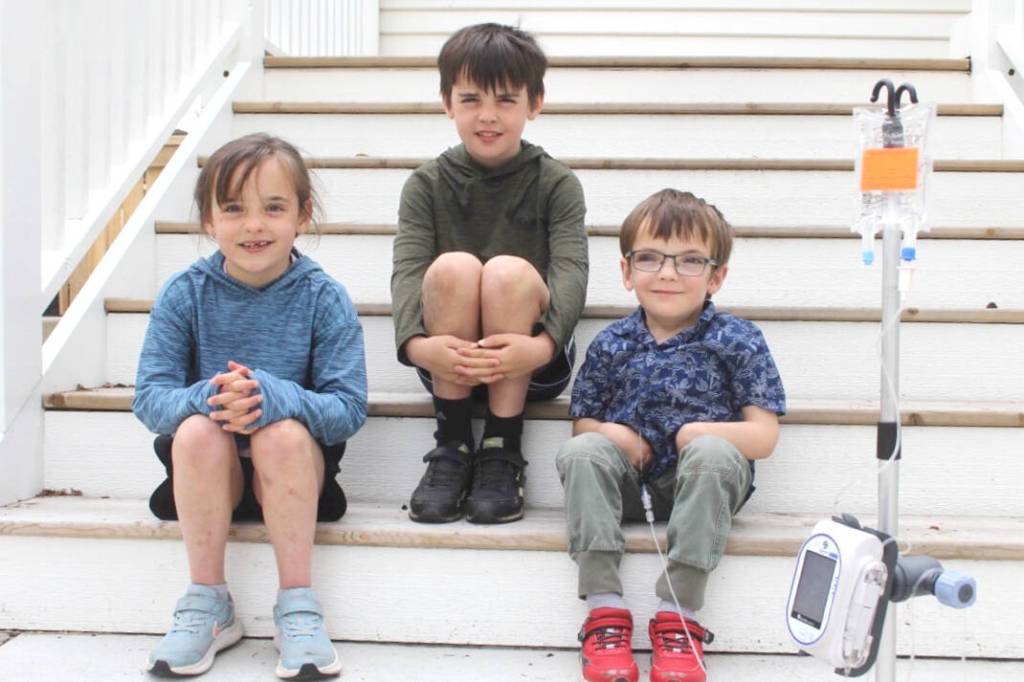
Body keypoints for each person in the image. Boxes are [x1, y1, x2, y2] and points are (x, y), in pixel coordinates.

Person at [133, 133, 368, 679]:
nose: (254, 225)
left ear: (302, 216)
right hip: (207, 473)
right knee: (193, 431)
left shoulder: (323, 297)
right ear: (208, 221)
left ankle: (298, 604)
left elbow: (349, 408)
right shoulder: (184, 293)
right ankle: (208, 602)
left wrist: (274, 397)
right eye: (234, 209)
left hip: (290, 475)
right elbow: (149, 398)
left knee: (279, 433)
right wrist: (211, 398)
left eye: (274, 208)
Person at [556, 189, 786, 682]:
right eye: (650, 258)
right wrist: (614, 436)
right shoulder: (612, 343)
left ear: (716, 276)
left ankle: (679, 615)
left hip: (704, 484)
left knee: (710, 455)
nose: (666, 273)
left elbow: (763, 436)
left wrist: (699, 434)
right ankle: (604, 610)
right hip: (626, 487)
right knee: (582, 451)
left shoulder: (737, 339)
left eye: (688, 261)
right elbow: (583, 425)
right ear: (626, 270)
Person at [391, 23, 588, 524]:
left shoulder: (557, 183)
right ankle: (452, 446)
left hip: (531, 360)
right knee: (454, 267)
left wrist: (542, 345)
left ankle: (501, 448)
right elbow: (409, 271)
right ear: (446, 102)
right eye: (471, 98)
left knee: (506, 272)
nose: (487, 115)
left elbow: (570, 271)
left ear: (534, 103)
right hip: (445, 357)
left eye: (506, 100)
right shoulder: (426, 184)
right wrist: (417, 346)